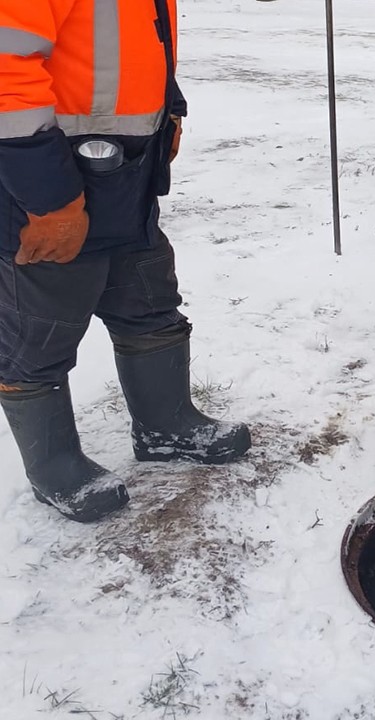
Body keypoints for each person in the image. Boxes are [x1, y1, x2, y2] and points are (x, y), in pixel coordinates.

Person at [0, 1, 251, 523]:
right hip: (48, 180)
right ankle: (54, 467)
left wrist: (169, 114)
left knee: (149, 300)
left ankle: (165, 425)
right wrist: (50, 198)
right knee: (38, 332)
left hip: (123, 176)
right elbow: (6, 71)